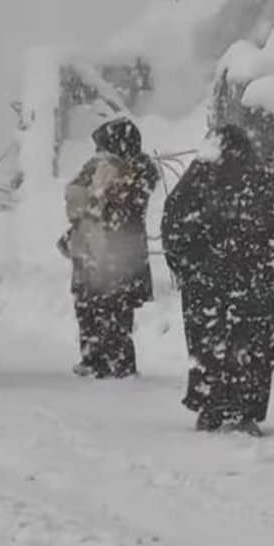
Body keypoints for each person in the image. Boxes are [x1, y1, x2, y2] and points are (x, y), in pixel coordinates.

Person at [161, 125, 274, 435]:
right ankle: (245, 409)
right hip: (257, 284)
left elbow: (173, 223)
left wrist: (189, 267)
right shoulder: (264, 178)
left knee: (209, 344)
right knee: (252, 347)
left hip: (208, 286)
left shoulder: (199, 177)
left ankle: (211, 406)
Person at [58, 117, 158, 378]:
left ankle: (116, 362)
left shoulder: (132, 173)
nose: (98, 152)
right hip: (104, 249)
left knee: (111, 307)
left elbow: (109, 208)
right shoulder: (114, 170)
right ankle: (96, 357)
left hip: (115, 250)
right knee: (93, 304)